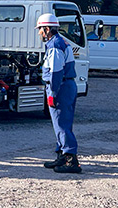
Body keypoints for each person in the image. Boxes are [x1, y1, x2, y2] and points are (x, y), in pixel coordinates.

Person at [36, 13, 82, 173]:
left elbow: (56, 72)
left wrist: (52, 93)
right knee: (62, 123)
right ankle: (62, 155)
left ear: (47, 29)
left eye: (40, 29)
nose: (39, 33)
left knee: (61, 124)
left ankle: (71, 159)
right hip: (66, 85)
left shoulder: (55, 45)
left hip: (60, 87)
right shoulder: (61, 42)